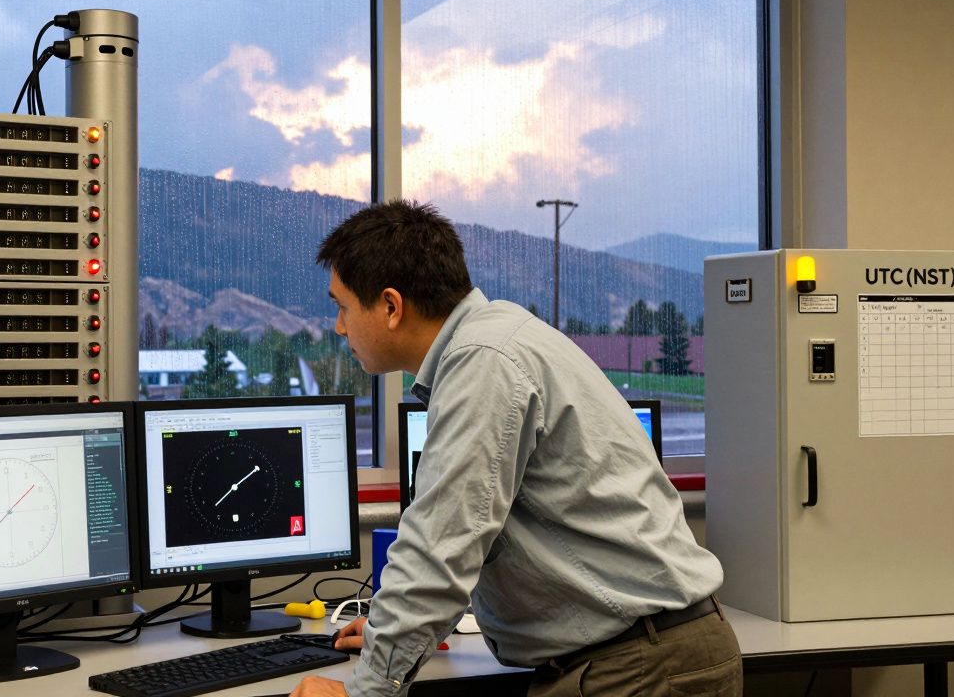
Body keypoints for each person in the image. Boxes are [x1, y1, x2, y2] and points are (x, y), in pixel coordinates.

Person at [290, 200, 740, 697]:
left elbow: (438, 549)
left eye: (342, 306)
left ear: (391, 307)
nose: (338, 327)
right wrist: (387, 632)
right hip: (648, 653)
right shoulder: (499, 337)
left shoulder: (483, 363)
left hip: (637, 666)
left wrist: (365, 690)